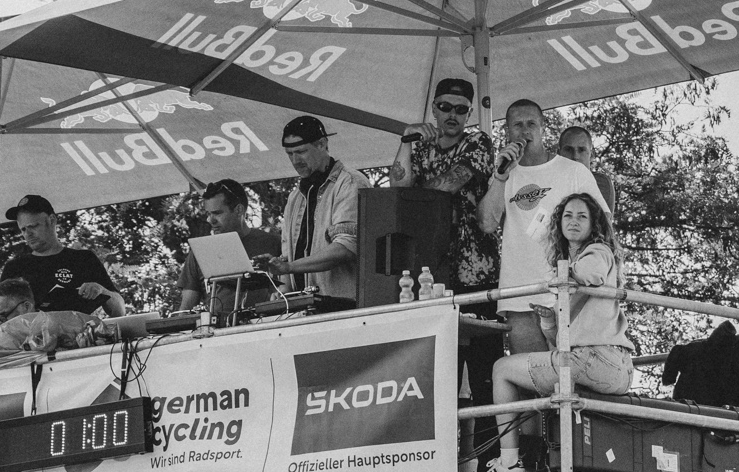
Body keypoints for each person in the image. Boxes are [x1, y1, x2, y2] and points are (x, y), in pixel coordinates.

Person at [481, 192, 634, 472]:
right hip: (606, 364)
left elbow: (593, 272)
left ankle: (510, 464)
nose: (574, 221)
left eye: (582, 216)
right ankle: (536, 458)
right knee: (524, 374)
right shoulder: (570, 268)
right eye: (568, 215)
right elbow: (559, 332)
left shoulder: (597, 251)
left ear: (594, 225)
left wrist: (561, 276)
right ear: (559, 223)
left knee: (501, 369)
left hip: (597, 358)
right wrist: (549, 317)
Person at [393, 77, 503, 444]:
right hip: (432, 275)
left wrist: (414, 198)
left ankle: (490, 458)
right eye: (445, 108)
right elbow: (397, 186)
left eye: (460, 110)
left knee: (485, 374)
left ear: (470, 113)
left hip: (478, 274)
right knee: (439, 375)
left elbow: (447, 186)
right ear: (433, 110)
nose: (452, 116)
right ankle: (439, 460)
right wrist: (407, 141)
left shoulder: (479, 143)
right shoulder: (420, 147)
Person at [479, 98, 605, 355]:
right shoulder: (503, 175)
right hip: (518, 293)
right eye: (517, 125)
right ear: (507, 131)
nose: (525, 131)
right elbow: (487, 223)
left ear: (543, 128)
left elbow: (603, 225)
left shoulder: (573, 171)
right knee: (531, 376)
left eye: (531, 124)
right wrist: (501, 177)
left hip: (567, 291)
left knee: (569, 377)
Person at [264, 116, 368, 310]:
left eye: (301, 152)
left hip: (344, 307)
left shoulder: (350, 182)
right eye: (290, 154)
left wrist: (290, 267)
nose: (295, 161)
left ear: (322, 144)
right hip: (304, 309)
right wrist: (282, 294)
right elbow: (288, 257)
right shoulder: (295, 197)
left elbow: (346, 247)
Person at [2, 194, 126, 317]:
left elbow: (120, 311)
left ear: (52, 220)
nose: (28, 234)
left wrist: (102, 291)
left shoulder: (83, 259)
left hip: (77, 334)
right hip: (28, 335)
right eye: (23, 229)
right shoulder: (14, 267)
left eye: (33, 226)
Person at [178, 179, 279, 320]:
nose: (210, 220)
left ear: (239, 210)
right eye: (208, 213)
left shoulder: (272, 243)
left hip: (264, 329)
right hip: (216, 334)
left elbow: (287, 292)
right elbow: (185, 309)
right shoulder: (200, 250)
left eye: (217, 213)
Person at [556, 124, 618, 211]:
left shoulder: (600, 182)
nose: (575, 156)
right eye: (568, 150)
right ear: (559, 154)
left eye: (581, 150)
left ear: (592, 155)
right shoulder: (549, 180)